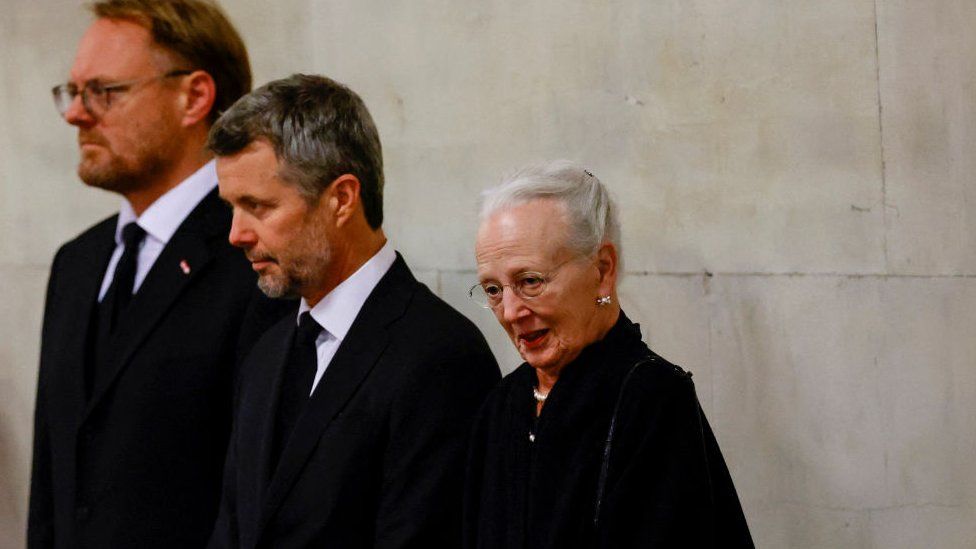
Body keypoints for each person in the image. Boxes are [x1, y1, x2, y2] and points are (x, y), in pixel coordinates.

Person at [29, 2, 290, 547]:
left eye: (104, 91)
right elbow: (52, 486)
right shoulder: (77, 263)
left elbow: (260, 493)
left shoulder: (259, 260)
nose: (75, 114)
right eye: (73, 92)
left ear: (193, 97)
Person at [206, 73, 501, 548]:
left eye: (258, 206)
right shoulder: (267, 354)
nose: (235, 234)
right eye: (232, 207)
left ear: (341, 199)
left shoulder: (440, 357)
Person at [463, 161, 753, 548]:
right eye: (493, 290)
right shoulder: (502, 407)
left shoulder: (651, 401)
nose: (511, 311)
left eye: (530, 281)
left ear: (602, 270)